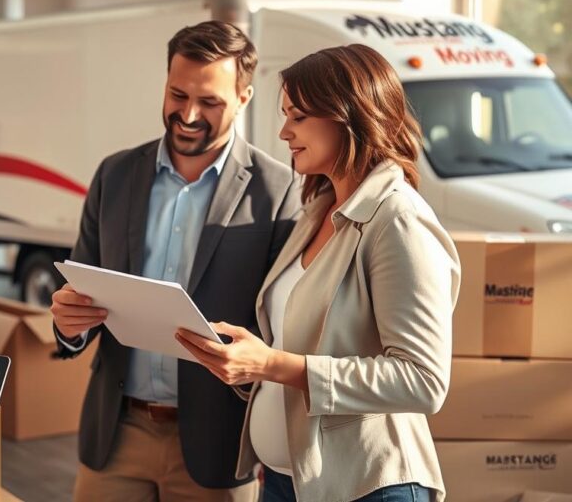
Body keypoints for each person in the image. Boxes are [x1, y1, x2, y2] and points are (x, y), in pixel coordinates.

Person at [176, 44, 461, 502]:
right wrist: (247, 361)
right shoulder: (318, 211)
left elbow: (422, 381)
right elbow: (302, 345)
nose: (284, 131)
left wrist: (272, 364)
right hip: (287, 480)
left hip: (368, 487)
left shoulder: (396, 221)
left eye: (299, 117)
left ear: (350, 117)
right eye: (286, 114)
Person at [50, 20, 300, 502]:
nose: (188, 114)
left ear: (244, 98)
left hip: (217, 446)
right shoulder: (115, 174)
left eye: (209, 102)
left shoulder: (281, 190)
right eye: (177, 94)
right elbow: (79, 289)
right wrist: (69, 323)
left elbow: (283, 327)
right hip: (116, 435)